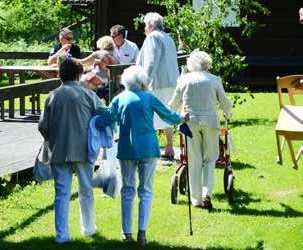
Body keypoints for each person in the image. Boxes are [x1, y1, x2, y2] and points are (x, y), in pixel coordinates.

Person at [95, 65, 187, 246]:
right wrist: (182, 117)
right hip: (148, 148)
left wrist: (91, 115)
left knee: (127, 190)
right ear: (143, 82)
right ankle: (142, 233)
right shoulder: (149, 98)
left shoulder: (119, 99)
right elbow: (169, 116)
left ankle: (126, 232)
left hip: (127, 149)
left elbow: (105, 121)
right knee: (146, 190)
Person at [38, 58, 104, 243]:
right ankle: (89, 228)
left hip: (59, 149)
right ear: (79, 75)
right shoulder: (88, 95)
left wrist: (52, 138)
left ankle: (62, 235)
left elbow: (43, 125)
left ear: (60, 75)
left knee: (61, 193)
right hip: (84, 150)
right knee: (86, 191)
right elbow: (103, 117)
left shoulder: (53, 95)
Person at [169, 50, 232, 209]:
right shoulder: (214, 79)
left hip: (189, 122)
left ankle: (196, 200)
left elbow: (174, 104)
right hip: (210, 122)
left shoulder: (184, 79)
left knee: (194, 159)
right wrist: (228, 113)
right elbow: (224, 102)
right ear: (207, 64)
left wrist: (172, 115)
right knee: (210, 158)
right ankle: (206, 194)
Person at [136, 12, 180, 160]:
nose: (144, 29)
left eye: (145, 25)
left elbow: (151, 61)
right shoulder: (168, 38)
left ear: (150, 25)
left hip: (157, 82)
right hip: (171, 81)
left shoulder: (152, 37)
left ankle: (152, 148)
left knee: (150, 115)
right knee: (167, 113)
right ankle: (169, 147)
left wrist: (144, 81)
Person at [79, 35, 118, 100]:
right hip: (108, 83)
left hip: (96, 81)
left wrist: (68, 58)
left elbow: (82, 62)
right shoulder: (115, 55)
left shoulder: (99, 53)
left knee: (76, 80)